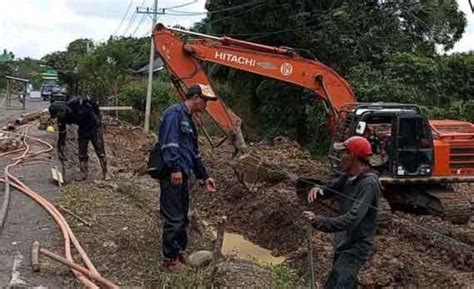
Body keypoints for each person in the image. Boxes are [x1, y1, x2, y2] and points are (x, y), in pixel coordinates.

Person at [302, 136, 381, 289]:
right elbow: (331, 187)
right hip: (345, 242)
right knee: (340, 282)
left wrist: (318, 221)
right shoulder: (349, 177)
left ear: (352, 156)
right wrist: (319, 189)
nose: (339, 158)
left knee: (340, 283)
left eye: (343, 153)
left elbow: (352, 218)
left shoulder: (369, 184)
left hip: (357, 246)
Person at [158, 84, 217, 272]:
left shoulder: (189, 120)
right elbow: (169, 144)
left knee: (183, 217)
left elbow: (194, 153)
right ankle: (169, 260)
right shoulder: (174, 114)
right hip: (173, 175)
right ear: (196, 97)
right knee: (174, 217)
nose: (207, 104)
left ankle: (179, 251)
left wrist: (204, 175)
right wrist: (174, 168)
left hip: (184, 175)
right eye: (205, 100)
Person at [48, 97, 107, 180]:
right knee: (82, 153)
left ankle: (105, 173)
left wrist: (96, 128)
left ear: (62, 110)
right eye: (56, 116)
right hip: (82, 128)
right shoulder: (61, 119)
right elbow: (62, 135)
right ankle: (84, 174)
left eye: (58, 115)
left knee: (100, 151)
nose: (58, 117)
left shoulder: (77, 104)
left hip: (94, 127)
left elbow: (95, 117)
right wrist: (60, 151)